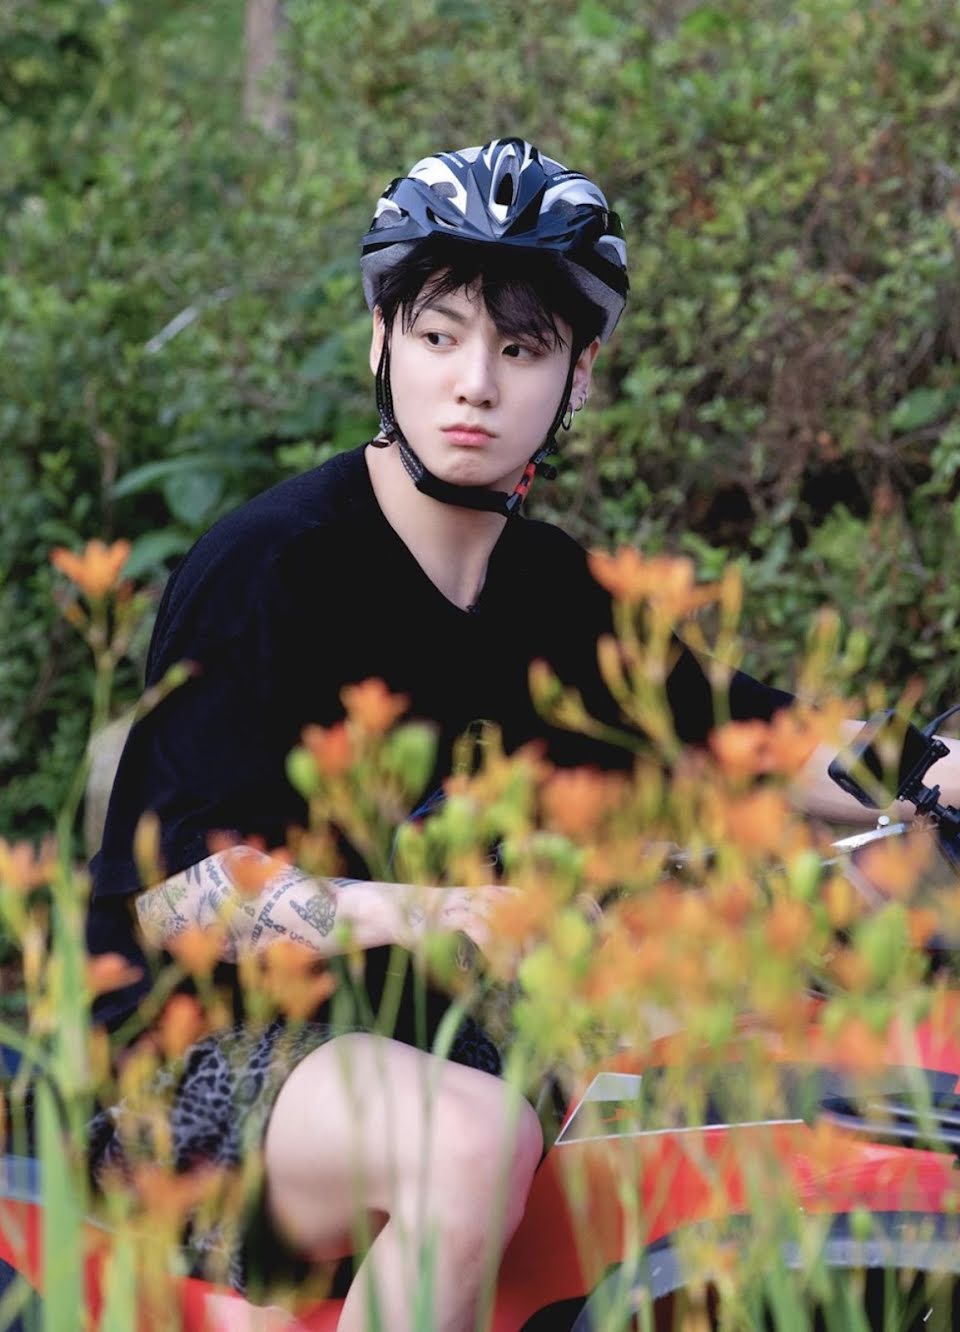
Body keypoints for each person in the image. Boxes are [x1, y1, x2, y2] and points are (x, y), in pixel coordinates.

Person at [84, 138, 959, 1330]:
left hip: (432, 1035)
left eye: (522, 348)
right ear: (381, 342)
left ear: (579, 375)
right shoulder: (270, 568)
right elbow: (182, 896)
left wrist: (929, 768)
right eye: (440, 336)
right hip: (194, 1062)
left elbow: (754, 735)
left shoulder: (554, 592)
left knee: (743, 1058)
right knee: (471, 1139)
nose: (475, 384)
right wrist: (434, 910)